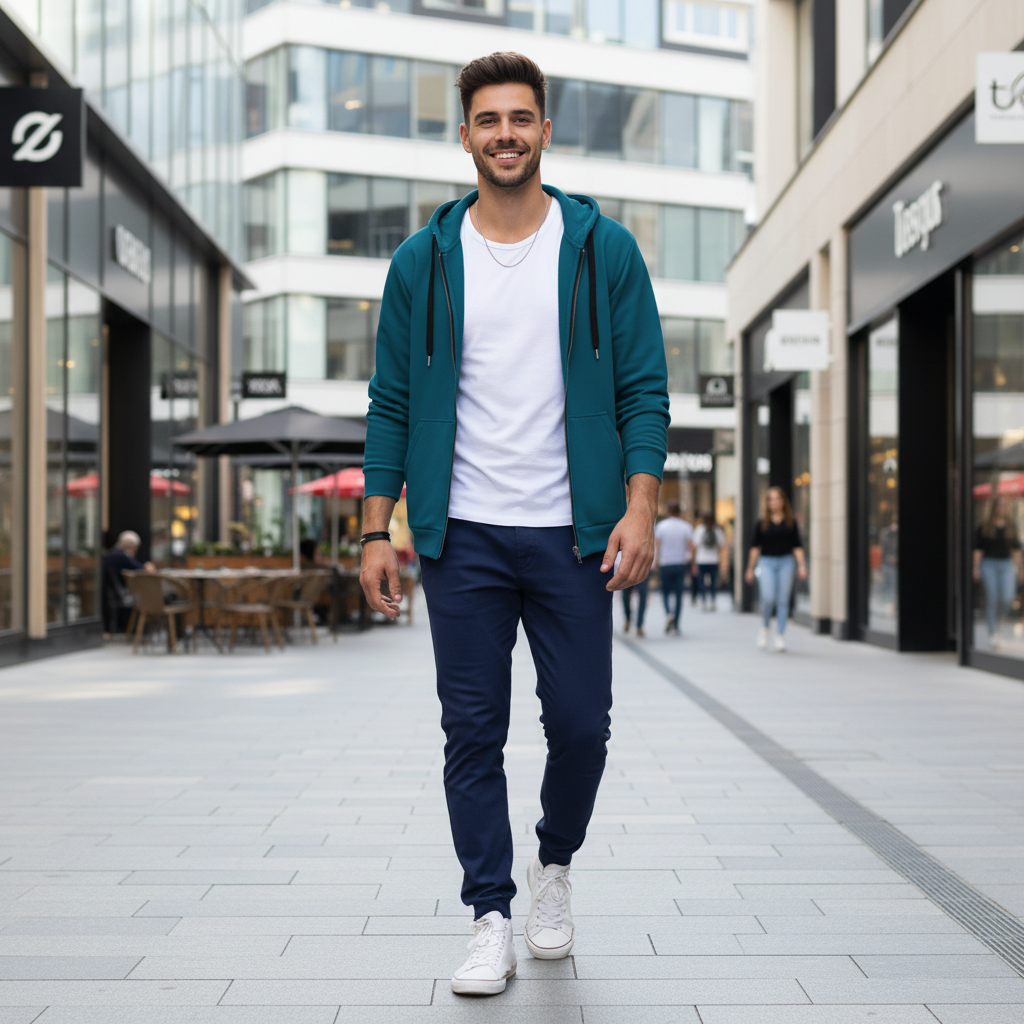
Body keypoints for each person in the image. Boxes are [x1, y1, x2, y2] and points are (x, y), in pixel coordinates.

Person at [359, 53, 669, 997]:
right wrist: (378, 528)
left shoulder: (600, 248)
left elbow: (642, 388)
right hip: (465, 537)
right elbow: (391, 404)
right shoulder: (423, 260)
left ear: (545, 132)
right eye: (487, 119)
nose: (504, 134)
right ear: (464, 136)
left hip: (575, 534)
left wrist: (641, 503)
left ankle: (554, 869)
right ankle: (490, 911)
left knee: (581, 724)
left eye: (520, 118)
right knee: (473, 730)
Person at [745, 487, 806, 652]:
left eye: (777, 498)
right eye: (771, 499)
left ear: (783, 501)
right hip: (766, 563)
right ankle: (765, 628)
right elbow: (755, 548)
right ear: (767, 503)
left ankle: (780, 635)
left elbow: (797, 546)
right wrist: (750, 569)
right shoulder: (761, 522)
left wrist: (801, 565)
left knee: (783, 600)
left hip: (786, 562)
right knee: (768, 598)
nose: (774, 502)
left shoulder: (791, 522)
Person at [973, 496, 1023, 650]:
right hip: (989, 564)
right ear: (994, 508)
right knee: (992, 598)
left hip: (1006, 565)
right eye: (999, 505)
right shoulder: (984, 528)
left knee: (1008, 598)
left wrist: (1020, 568)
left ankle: (998, 622)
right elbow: (978, 550)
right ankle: (993, 632)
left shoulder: (1010, 526)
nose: (1002, 508)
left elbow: (1016, 550)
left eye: (1004, 506)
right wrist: (975, 568)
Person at [654, 500, 694, 636]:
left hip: (666, 563)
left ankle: (668, 613)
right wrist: (693, 563)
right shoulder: (686, 527)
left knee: (665, 592)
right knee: (678, 594)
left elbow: (657, 546)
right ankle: (676, 624)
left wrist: (657, 563)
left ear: (668, 511)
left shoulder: (661, 527)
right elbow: (692, 547)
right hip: (680, 563)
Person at [103, 530, 155, 633]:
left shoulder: (113, 553)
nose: (135, 550)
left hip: (115, 592)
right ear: (130, 546)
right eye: (134, 547)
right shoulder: (122, 556)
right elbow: (141, 568)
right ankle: (145, 629)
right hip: (123, 594)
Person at [692, 512, 726, 611]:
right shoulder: (717, 530)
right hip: (714, 559)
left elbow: (695, 546)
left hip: (701, 559)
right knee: (713, 582)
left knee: (701, 581)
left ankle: (703, 601)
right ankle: (713, 601)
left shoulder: (699, 530)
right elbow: (721, 546)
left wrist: (694, 562)